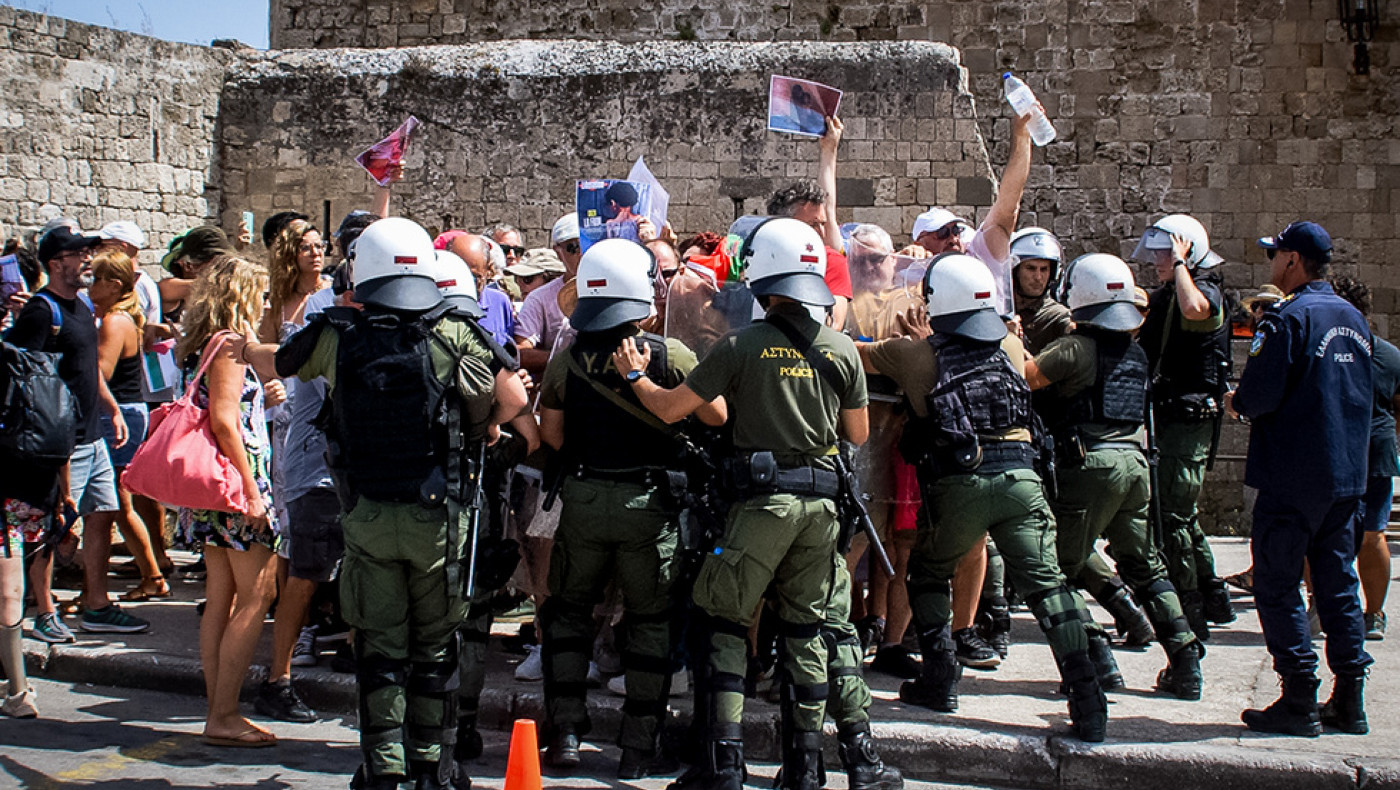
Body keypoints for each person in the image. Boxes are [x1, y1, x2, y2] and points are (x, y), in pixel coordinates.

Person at [614, 217, 886, 790]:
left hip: (761, 507)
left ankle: (723, 765)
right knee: (809, 631)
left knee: (724, 624)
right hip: (821, 511)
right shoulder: (840, 349)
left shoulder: (740, 345)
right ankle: (806, 767)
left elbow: (669, 408)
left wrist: (637, 376)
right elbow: (857, 434)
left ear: (760, 277)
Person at [272, 217, 528, 789]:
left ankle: (384, 770)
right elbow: (511, 396)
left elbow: (284, 361)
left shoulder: (337, 333)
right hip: (437, 518)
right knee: (435, 648)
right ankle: (431, 768)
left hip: (365, 514)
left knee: (381, 650)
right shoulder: (454, 331)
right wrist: (481, 426)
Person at [856, 253, 1107, 742]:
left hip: (960, 484)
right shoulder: (1013, 344)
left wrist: (913, 338)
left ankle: (939, 678)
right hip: (1023, 479)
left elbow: (855, 354)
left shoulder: (911, 354)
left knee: (928, 575)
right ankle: (1088, 698)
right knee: (1048, 588)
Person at [536, 238, 724, 778]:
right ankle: (638, 747)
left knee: (569, 616)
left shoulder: (568, 359)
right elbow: (715, 415)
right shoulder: (669, 355)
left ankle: (567, 734)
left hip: (586, 500)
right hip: (652, 507)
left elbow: (551, 434)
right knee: (651, 625)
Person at [1024, 253, 1205, 700]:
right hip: (1135, 464)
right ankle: (1184, 660)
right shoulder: (1136, 354)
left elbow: (1025, 377)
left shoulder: (1073, 349)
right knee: (1145, 565)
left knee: (1056, 568)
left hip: (1091, 467)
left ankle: (1095, 657)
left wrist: (1014, 340)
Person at [1230, 221, 1374, 737]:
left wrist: (1237, 404)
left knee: (1278, 583)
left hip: (1293, 474)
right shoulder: (1353, 318)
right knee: (1337, 586)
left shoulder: (1287, 319)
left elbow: (1260, 394)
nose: (1272, 263)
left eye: (1276, 255)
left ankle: (1298, 696)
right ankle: (1350, 698)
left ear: (1292, 261)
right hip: (1346, 476)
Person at [4, 226, 141, 639]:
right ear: (54, 263)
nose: (84, 259)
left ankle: (95, 603)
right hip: (60, 442)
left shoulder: (81, 306)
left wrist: (111, 408)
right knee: (52, 526)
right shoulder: (42, 311)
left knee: (102, 515)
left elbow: (88, 368)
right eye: (76, 253)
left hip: (92, 434)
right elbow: (18, 368)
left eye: (85, 252)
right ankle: (44, 610)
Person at [174, 254, 280, 747]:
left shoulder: (201, 343)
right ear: (239, 296)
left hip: (211, 488)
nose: (263, 303)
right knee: (259, 593)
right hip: (236, 483)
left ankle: (219, 707)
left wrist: (266, 396)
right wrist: (253, 491)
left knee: (222, 596)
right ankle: (225, 713)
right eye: (258, 293)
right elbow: (223, 420)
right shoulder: (230, 346)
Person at [1132, 214, 1235, 640]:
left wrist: (1179, 264)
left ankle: (1188, 613)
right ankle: (1213, 596)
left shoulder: (1203, 289)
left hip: (1186, 421)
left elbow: (1196, 309)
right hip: (1170, 417)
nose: (1157, 260)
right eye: (1157, 252)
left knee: (1171, 518)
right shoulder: (1169, 294)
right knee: (1182, 515)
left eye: (1164, 252)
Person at [86, 250, 168, 604]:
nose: (90, 286)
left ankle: (153, 574)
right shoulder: (118, 318)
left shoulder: (115, 322)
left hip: (117, 412)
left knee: (118, 503)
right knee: (115, 502)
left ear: (112, 284)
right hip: (125, 410)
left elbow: (100, 374)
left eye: (95, 279)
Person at [1327, 275, 1392, 642]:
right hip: (1349, 452)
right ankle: (1348, 609)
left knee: (1370, 535)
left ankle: (1372, 612)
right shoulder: (1383, 352)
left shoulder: (1382, 355)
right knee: (1352, 535)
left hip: (1362, 455)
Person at [516, 213, 582, 378]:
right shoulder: (540, 299)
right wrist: (572, 360)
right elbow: (522, 352)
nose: (583, 254)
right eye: (573, 247)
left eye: (590, 244)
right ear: (559, 252)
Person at [1008, 227, 1071, 355]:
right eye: (1030, 268)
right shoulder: (1000, 310)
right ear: (1015, 271)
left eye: (1044, 269)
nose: (1038, 277)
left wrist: (1013, 345)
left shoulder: (1056, 316)